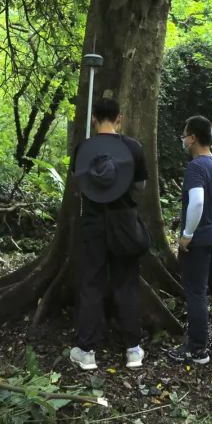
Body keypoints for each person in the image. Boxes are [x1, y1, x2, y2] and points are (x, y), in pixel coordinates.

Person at [69, 97, 148, 371]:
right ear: (119, 119)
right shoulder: (133, 148)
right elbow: (140, 186)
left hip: (92, 224)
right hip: (125, 223)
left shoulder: (84, 149)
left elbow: (80, 182)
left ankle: (87, 351)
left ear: (93, 118)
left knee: (91, 283)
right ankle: (133, 350)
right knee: (126, 283)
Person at [170, 115, 212, 364]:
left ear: (193, 138)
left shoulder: (196, 167)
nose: (183, 140)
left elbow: (197, 202)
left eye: (185, 135)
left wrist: (187, 235)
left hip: (201, 239)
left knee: (196, 291)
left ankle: (197, 349)